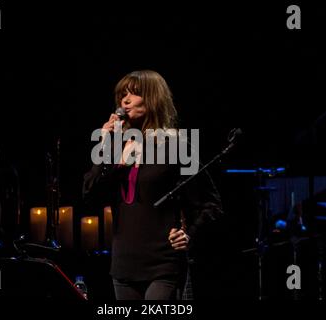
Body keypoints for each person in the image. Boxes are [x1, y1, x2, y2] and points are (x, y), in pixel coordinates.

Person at [82, 70, 224, 300]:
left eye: (134, 93)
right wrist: (106, 148)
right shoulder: (115, 147)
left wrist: (189, 234)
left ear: (153, 98)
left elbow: (211, 204)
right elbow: (90, 196)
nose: (124, 100)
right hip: (123, 265)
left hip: (163, 264)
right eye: (122, 94)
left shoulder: (176, 146)